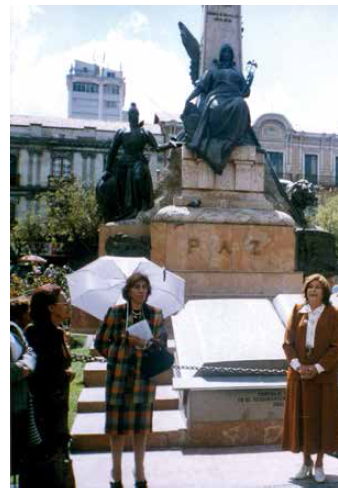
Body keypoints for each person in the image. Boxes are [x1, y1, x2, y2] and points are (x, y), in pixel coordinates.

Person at [94, 273, 167, 488]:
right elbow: (100, 342)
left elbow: (162, 346)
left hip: (143, 378)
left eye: (144, 287)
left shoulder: (155, 314)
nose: (141, 290)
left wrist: (146, 343)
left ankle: (139, 469)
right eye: (137, 287)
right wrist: (121, 349)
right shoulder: (116, 312)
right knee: (117, 428)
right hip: (119, 378)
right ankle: (116, 471)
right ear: (128, 290)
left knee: (140, 428)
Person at [282, 274, 338, 483]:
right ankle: (306, 462)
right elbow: (288, 342)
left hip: (323, 376)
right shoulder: (297, 310)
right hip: (299, 375)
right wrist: (298, 366)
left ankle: (319, 464)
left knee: (322, 421)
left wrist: (316, 368)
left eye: (318, 287)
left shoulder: (335, 313)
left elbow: (335, 347)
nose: (313, 290)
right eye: (310, 287)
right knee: (302, 421)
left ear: (325, 292)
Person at [184, 43, 258, 174]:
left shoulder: (237, 73)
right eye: (224, 52)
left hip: (234, 97)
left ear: (232, 55)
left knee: (241, 104)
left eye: (229, 52)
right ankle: (218, 137)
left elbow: (245, 92)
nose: (227, 54)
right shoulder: (213, 71)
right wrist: (188, 99)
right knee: (215, 106)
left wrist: (249, 81)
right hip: (217, 96)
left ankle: (233, 139)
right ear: (221, 55)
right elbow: (200, 87)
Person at [25, 285, 73, 482]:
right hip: (43, 411)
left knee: (58, 457)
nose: (68, 305)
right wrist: (64, 375)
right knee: (45, 462)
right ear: (51, 307)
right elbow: (39, 372)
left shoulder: (58, 332)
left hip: (59, 407)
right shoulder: (34, 333)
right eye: (64, 302)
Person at [98, 102, 175, 222]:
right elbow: (112, 150)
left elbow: (157, 148)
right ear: (128, 116)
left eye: (135, 114)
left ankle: (140, 207)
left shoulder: (144, 132)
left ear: (138, 116)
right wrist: (108, 169)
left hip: (138, 162)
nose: (133, 116)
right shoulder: (121, 132)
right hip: (123, 164)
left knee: (138, 176)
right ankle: (121, 210)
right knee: (113, 185)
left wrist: (170, 144)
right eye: (131, 114)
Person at [10, 296, 42, 484]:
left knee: (19, 455)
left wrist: (26, 364)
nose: (31, 316)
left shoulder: (16, 332)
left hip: (20, 403)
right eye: (28, 313)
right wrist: (22, 368)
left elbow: (29, 353)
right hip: (12, 405)